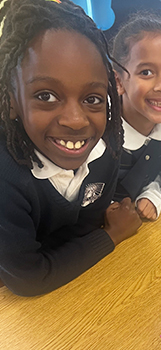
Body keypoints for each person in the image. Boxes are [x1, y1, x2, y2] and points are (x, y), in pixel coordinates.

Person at [0, 0, 142, 297]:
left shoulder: (106, 149)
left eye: (92, 99)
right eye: (46, 96)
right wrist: (112, 235)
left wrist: (45, 257)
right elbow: (28, 278)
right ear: (12, 100)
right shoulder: (6, 175)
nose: (76, 121)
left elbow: (86, 225)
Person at [111, 13, 161, 221]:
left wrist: (152, 195)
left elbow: (159, 174)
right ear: (118, 81)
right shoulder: (99, 134)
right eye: (146, 72)